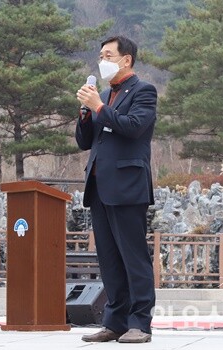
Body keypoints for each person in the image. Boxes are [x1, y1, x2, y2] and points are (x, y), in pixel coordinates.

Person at [75, 35, 157, 343]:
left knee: (133, 257)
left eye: (108, 55)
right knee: (108, 258)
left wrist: (97, 107)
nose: (102, 61)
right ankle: (115, 322)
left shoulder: (144, 91)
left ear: (126, 60)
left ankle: (140, 323)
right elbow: (85, 142)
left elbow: (133, 126)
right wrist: (86, 114)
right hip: (98, 186)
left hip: (127, 185)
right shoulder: (105, 94)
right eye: (100, 56)